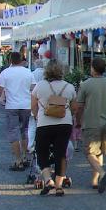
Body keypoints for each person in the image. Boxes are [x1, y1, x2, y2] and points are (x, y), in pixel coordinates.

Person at [75, 58, 106, 193]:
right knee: (100, 151)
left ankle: (101, 173)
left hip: (91, 122)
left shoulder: (85, 84)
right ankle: (95, 181)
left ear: (92, 68)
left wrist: (78, 121)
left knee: (89, 152)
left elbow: (79, 106)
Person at [31, 61, 77, 197]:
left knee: (42, 152)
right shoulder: (69, 87)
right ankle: (59, 186)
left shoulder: (39, 86)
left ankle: (47, 180)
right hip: (64, 124)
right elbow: (75, 108)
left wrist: (36, 117)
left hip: (44, 124)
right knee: (61, 154)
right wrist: (70, 116)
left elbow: (33, 105)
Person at [0, 52, 34, 171]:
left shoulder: (5, 73)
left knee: (13, 131)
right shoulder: (28, 72)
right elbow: (33, 89)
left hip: (11, 106)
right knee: (24, 130)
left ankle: (18, 160)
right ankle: (25, 157)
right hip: (26, 106)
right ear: (21, 60)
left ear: (10, 60)